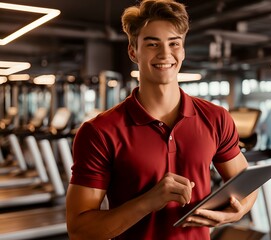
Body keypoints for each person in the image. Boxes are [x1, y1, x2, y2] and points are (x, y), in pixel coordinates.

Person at [66, 0, 258, 239]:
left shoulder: (216, 117)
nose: (165, 54)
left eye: (174, 43)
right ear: (133, 51)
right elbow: (79, 230)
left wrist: (234, 214)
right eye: (152, 44)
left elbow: (247, 185)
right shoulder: (99, 131)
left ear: (183, 50)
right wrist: (148, 201)